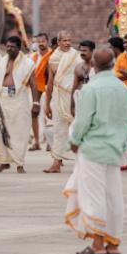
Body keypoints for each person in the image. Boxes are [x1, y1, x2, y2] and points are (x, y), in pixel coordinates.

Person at [64, 46, 127, 254]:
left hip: (93, 149)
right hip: (114, 150)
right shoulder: (123, 89)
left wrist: (74, 141)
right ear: (113, 64)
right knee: (113, 196)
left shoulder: (91, 89)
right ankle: (113, 244)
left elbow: (83, 121)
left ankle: (98, 245)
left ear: (93, 64)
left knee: (92, 196)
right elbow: (125, 120)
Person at [0, 36, 35, 174]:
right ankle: (4, 162)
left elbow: (33, 85)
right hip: (2, 99)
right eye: (7, 46)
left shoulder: (27, 64)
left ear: (19, 47)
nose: (9, 49)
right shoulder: (2, 62)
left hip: (19, 99)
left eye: (12, 47)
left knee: (19, 133)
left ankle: (19, 164)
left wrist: (36, 103)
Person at [44, 31, 81, 173]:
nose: (67, 43)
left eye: (69, 40)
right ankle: (56, 163)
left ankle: (82, 161)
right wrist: (47, 104)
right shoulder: (53, 58)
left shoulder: (76, 56)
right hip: (59, 98)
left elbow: (82, 76)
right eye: (64, 40)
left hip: (75, 98)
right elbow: (51, 81)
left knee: (78, 129)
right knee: (58, 130)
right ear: (58, 42)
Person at [30, 33, 52, 151]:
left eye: (43, 41)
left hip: (48, 89)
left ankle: (50, 142)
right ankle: (36, 141)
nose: (41, 44)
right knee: (34, 114)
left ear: (47, 41)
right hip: (35, 90)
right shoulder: (33, 56)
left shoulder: (52, 55)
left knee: (48, 115)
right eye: (38, 42)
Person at [70, 40, 96, 116]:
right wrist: (72, 107)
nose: (82, 53)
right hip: (81, 101)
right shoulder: (78, 67)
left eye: (85, 51)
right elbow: (74, 88)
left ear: (92, 51)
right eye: (81, 51)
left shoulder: (99, 66)